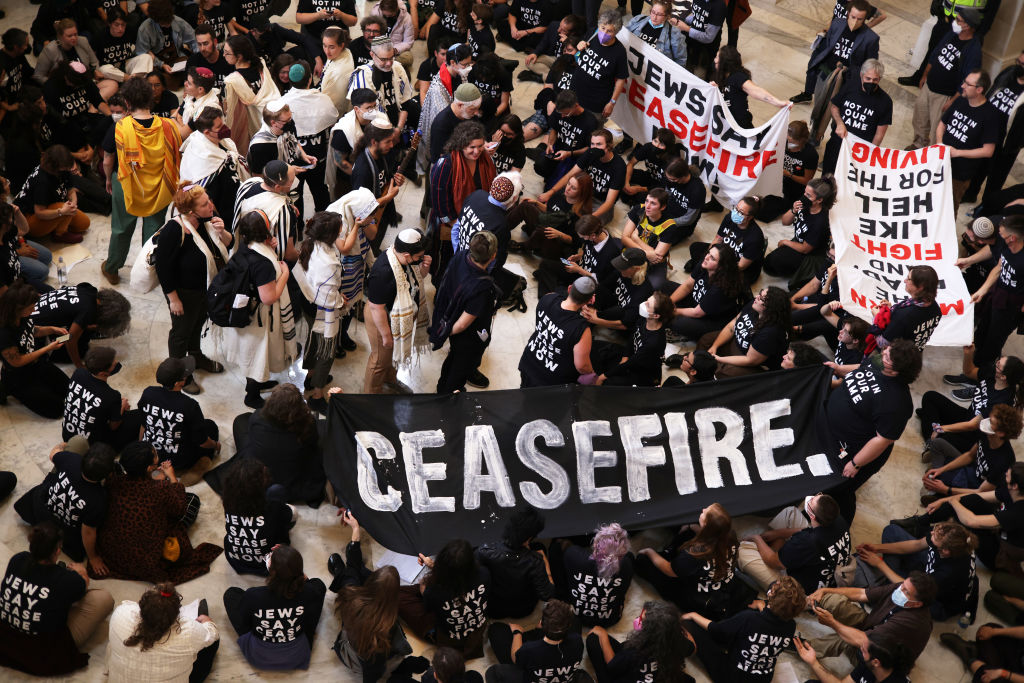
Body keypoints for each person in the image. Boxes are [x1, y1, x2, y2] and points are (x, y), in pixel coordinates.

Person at [95, 441, 222, 583]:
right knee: (192, 501)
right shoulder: (161, 489)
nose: (157, 454)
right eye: (155, 455)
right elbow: (179, 510)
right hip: (147, 559)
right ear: (149, 468)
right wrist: (172, 478)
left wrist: (155, 480)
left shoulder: (114, 481)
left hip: (114, 554)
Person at [0, 522, 114, 677]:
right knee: (102, 599)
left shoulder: (17, 560)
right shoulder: (65, 580)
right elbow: (83, 585)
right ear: (57, 551)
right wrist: (81, 572)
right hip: (43, 656)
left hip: (7, 644)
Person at [825, 341, 922, 523]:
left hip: (854, 453)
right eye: (886, 351)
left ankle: (840, 527)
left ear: (896, 371)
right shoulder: (879, 361)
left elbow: (882, 440)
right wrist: (839, 369)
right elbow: (862, 367)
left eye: (887, 356)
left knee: (840, 490)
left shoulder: (897, 403)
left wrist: (855, 463)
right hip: (833, 434)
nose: (882, 353)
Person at [104, 76, 186, 285]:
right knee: (153, 231)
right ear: (150, 99)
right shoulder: (168, 126)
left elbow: (108, 159)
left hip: (127, 183)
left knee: (121, 229)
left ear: (127, 103)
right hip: (159, 185)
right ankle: (146, 273)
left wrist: (107, 178)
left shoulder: (121, 127)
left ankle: (112, 269)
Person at [213, 209, 297, 409]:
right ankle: (252, 395)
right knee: (257, 356)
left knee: (256, 355)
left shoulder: (245, 246)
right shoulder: (262, 263)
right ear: (265, 230)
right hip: (258, 320)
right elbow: (268, 297)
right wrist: (284, 272)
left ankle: (258, 382)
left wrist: (270, 248)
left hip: (247, 311)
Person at [155, 182, 232, 391]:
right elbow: (164, 268)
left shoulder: (207, 221)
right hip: (183, 293)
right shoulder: (174, 230)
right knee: (181, 333)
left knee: (197, 325)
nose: (211, 206)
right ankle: (180, 374)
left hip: (204, 288)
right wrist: (173, 299)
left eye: (209, 200)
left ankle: (196, 356)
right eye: (205, 204)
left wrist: (222, 231)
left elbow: (229, 244)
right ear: (190, 211)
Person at [329, 510, 414, 682]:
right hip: (364, 652)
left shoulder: (353, 597)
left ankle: (340, 572)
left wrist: (355, 531)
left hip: (354, 650)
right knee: (355, 572)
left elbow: (372, 669)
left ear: (372, 581)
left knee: (351, 574)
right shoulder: (388, 620)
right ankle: (342, 571)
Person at [683, 576, 806, 682]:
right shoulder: (791, 626)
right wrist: (760, 605)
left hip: (730, 677)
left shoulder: (749, 618)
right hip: (763, 679)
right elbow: (770, 624)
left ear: (770, 594)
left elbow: (716, 630)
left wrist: (694, 615)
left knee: (690, 625)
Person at [223, 545, 326, 670]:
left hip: (259, 656)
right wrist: (289, 560)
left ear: (272, 572)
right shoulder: (311, 592)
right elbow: (312, 588)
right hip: (298, 654)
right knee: (317, 588)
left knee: (232, 594)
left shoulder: (254, 595)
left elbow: (244, 621)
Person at [13, 442, 116, 569]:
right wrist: (93, 557)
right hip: (64, 534)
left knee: (77, 441)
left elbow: (52, 455)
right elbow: (88, 532)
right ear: (107, 474)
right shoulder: (99, 499)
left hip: (41, 510)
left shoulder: (71, 460)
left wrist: (60, 446)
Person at [635, 503, 746, 619]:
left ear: (707, 525)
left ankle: (666, 552)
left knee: (642, 561)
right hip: (716, 581)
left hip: (695, 595)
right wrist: (694, 528)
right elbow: (712, 538)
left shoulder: (695, 555)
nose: (703, 509)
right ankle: (672, 548)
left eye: (705, 512)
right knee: (686, 527)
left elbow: (669, 570)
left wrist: (649, 552)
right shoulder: (731, 538)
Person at [805, 571, 937, 667]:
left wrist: (832, 623)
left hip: (879, 661)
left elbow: (864, 640)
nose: (900, 589)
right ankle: (802, 604)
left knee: (845, 638)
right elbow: (861, 594)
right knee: (832, 600)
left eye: (906, 591)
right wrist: (826, 590)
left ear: (917, 604)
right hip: (872, 627)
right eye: (902, 585)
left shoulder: (911, 623)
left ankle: (804, 649)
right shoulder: (901, 589)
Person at [856, 521, 978, 621]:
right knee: (892, 531)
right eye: (934, 531)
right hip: (928, 573)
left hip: (936, 602)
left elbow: (912, 589)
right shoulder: (950, 536)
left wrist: (879, 564)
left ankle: (882, 592)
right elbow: (917, 544)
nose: (931, 534)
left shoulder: (947, 574)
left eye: (933, 538)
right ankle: (890, 578)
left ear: (945, 551)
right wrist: (877, 548)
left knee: (897, 595)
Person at [737, 493, 852, 594]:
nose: (811, 497)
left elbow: (772, 561)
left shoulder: (806, 542)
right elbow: (810, 531)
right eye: (818, 495)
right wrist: (778, 534)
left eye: (812, 501)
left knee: (743, 551)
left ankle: (777, 555)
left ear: (812, 516)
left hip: (800, 591)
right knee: (789, 513)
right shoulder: (837, 519)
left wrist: (757, 538)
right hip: (823, 570)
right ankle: (780, 551)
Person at [233, 383, 327, 506]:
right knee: (323, 433)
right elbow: (313, 444)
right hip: (295, 482)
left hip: (262, 477)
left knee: (241, 420)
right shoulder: (308, 424)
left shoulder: (257, 417)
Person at [106, 582, 220, 682]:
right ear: (176, 615)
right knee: (211, 643)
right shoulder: (189, 632)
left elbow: (132, 606)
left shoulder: (121, 613)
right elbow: (213, 633)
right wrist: (207, 621)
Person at [399, 538, 492, 658]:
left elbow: (426, 600)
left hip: (449, 637)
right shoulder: (484, 573)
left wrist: (428, 580)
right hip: (477, 629)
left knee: (399, 595)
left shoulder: (434, 591)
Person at [364, 228, 432, 393]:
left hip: (399, 316)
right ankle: (370, 395)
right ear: (407, 255)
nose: (420, 259)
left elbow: (416, 281)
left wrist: (424, 268)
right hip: (381, 318)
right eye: (418, 257)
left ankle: (390, 380)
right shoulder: (383, 272)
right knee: (380, 361)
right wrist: (386, 336)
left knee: (395, 353)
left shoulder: (403, 258)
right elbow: (376, 307)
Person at [433, 230, 501, 393]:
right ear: (493, 256)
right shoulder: (481, 288)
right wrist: (449, 333)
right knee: (460, 367)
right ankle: (448, 396)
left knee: (452, 359)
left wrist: (444, 328)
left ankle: (442, 385)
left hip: (449, 314)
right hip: (467, 336)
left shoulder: (461, 256)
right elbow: (463, 324)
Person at [908, 9, 983, 151]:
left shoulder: (973, 50)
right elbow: (935, 54)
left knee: (937, 129)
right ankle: (917, 145)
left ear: (968, 25)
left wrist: (952, 101)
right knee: (920, 118)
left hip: (944, 95)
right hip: (929, 85)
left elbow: (967, 81)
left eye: (959, 20)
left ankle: (930, 156)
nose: (955, 22)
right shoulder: (951, 34)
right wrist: (925, 75)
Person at [137, 356, 221, 483]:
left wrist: (142, 448)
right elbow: (202, 441)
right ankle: (195, 468)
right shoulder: (189, 405)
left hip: (152, 455)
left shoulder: (148, 393)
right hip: (178, 460)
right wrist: (215, 445)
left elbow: (143, 424)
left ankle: (157, 470)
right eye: (185, 375)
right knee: (210, 427)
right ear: (178, 383)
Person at [429, 120, 496, 277]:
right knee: (446, 263)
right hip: (450, 224)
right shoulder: (446, 164)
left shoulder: (487, 161)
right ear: (460, 145)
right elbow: (439, 201)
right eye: (471, 147)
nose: (477, 151)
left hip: (474, 224)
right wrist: (457, 226)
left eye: (480, 146)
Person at [293, 211, 343, 411]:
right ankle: (317, 394)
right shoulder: (328, 263)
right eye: (339, 228)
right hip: (322, 309)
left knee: (313, 341)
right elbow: (329, 297)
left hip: (307, 301)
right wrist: (341, 300)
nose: (342, 230)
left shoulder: (310, 243)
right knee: (326, 351)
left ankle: (311, 376)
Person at [922, 404, 1021, 505]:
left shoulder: (1004, 461)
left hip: (976, 487)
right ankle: (938, 482)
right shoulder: (987, 434)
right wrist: (941, 470)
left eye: (991, 422)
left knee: (936, 483)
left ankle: (942, 495)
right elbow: (970, 455)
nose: (986, 422)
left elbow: (981, 492)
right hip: (971, 469)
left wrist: (946, 489)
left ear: (1001, 433)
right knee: (937, 443)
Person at [0, 282, 70, 418]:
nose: (34, 310)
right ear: (18, 309)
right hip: (18, 377)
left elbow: (32, 330)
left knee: (70, 390)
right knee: (57, 410)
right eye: (31, 307)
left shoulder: (23, 317)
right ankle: (8, 387)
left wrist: (52, 329)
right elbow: (17, 361)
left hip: (36, 364)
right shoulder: (4, 333)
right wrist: (47, 348)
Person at [789, 1, 879, 107]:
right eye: (853, 17)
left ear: (864, 19)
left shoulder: (871, 38)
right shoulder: (837, 23)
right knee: (819, 106)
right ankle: (808, 95)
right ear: (848, 13)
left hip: (847, 78)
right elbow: (828, 44)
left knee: (837, 108)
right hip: (826, 72)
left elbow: (870, 64)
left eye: (859, 19)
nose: (855, 22)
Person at [924, 354, 1023, 450]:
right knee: (930, 397)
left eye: (998, 365)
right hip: (966, 417)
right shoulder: (991, 373)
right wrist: (968, 353)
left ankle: (933, 441)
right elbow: (969, 371)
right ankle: (932, 441)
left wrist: (942, 428)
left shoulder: (1002, 402)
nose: (995, 363)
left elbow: (972, 425)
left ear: (1003, 377)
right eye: (998, 360)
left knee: (942, 436)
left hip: (973, 437)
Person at [325, 187, 380, 355]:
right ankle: (334, 340)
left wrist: (367, 220)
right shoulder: (336, 221)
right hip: (339, 272)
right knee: (339, 306)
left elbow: (372, 235)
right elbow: (345, 249)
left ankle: (343, 335)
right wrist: (359, 224)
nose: (373, 220)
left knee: (351, 301)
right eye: (370, 216)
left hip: (355, 269)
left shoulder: (359, 217)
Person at [939, 69, 1001, 213]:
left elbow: (988, 151)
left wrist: (957, 153)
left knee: (947, 209)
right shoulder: (961, 100)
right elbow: (942, 124)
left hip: (959, 173)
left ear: (979, 89)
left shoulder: (990, 116)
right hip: (940, 160)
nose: (962, 86)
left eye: (968, 84)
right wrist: (940, 144)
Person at [586, 601, 696, 683]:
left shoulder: (634, 651)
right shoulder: (677, 642)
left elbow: (612, 666)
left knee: (593, 640)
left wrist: (603, 636)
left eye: (642, 620)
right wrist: (674, 625)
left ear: (649, 632)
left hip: (631, 673)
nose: (638, 619)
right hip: (662, 675)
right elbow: (693, 647)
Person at [280, 61, 339, 213]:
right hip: (317, 154)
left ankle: (297, 226)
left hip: (294, 156)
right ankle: (324, 224)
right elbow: (333, 117)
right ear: (310, 80)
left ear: (291, 82)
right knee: (320, 190)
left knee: (295, 193)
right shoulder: (323, 99)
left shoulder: (282, 102)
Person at [475, 505, 554, 619]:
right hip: (523, 610)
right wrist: (546, 564)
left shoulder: (484, 552)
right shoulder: (535, 561)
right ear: (529, 538)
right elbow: (547, 594)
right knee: (540, 546)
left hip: (494, 608)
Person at [29, 282, 131, 369]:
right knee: (82, 350)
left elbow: (74, 311)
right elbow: (70, 340)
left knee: (83, 330)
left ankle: (82, 330)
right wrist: (79, 365)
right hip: (36, 334)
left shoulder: (89, 289)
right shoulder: (88, 312)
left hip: (36, 309)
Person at [220, 457, 294, 575]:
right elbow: (288, 516)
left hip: (235, 561)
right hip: (268, 564)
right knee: (290, 511)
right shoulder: (272, 505)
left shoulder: (228, 502)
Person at [549, 523, 633, 627]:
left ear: (594, 545)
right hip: (609, 619)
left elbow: (565, 546)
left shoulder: (574, 556)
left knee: (556, 546)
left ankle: (561, 595)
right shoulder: (626, 565)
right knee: (630, 557)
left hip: (574, 615)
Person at [519, 276, 595, 387]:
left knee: (524, 393)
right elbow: (582, 366)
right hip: (549, 380)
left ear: (569, 289)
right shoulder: (581, 330)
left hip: (529, 360)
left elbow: (559, 300)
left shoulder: (548, 298)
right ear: (589, 301)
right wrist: (592, 373)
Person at [970, 216, 1024, 371]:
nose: (999, 236)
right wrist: (983, 290)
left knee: (993, 342)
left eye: (1002, 234)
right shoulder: (1007, 246)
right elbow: (1000, 266)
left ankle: (979, 377)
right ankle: (975, 367)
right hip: (998, 294)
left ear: (1012, 237)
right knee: (981, 332)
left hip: (1011, 305)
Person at [486, 599, 585, 683]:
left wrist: (517, 633)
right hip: (561, 673)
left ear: (541, 623)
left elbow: (515, 658)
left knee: (493, 670)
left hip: (530, 675)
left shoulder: (529, 649)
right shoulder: (577, 641)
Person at [177, 107, 248, 222]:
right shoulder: (202, 158)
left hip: (235, 204)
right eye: (219, 127)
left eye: (223, 123)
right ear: (207, 132)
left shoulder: (224, 142)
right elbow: (205, 198)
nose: (224, 128)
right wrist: (218, 222)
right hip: (223, 215)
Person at [822, 59, 891, 174]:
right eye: (867, 78)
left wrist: (869, 156)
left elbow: (879, 134)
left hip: (859, 153)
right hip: (837, 144)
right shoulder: (850, 86)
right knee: (827, 176)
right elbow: (834, 106)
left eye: (875, 80)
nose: (871, 82)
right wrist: (839, 123)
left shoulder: (885, 102)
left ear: (880, 79)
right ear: (861, 75)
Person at [541, 130, 625, 224]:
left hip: (600, 201)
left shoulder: (619, 167)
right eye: (592, 144)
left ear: (609, 146)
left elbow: (609, 202)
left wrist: (590, 218)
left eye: (599, 144)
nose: (595, 147)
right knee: (556, 205)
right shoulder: (590, 153)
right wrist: (551, 192)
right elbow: (571, 174)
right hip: (582, 191)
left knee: (585, 226)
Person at [591, 291, 674, 387]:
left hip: (642, 373)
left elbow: (632, 363)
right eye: (647, 300)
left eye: (648, 305)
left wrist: (603, 376)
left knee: (607, 383)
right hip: (632, 356)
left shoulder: (654, 342)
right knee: (596, 348)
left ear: (656, 315)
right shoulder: (645, 318)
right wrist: (625, 356)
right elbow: (633, 336)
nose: (644, 304)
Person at [704, 285, 791, 376]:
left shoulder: (769, 333)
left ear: (770, 308)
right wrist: (715, 346)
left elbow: (750, 360)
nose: (756, 297)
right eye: (760, 293)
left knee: (724, 371)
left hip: (753, 361)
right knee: (706, 341)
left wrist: (719, 359)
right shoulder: (754, 305)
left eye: (761, 298)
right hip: (738, 344)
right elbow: (732, 326)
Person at [764, 176, 835, 286]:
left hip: (810, 255)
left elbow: (805, 249)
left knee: (775, 263)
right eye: (805, 192)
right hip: (798, 242)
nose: (804, 197)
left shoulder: (820, 222)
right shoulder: (804, 205)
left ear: (819, 200)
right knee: (769, 263)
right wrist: (793, 210)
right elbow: (785, 222)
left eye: (808, 195)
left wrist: (785, 242)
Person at [60, 346, 136, 448]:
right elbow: (114, 426)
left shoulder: (79, 373)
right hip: (90, 447)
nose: (117, 364)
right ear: (102, 373)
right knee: (137, 416)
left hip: (67, 436)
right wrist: (122, 407)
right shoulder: (112, 396)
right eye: (114, 365)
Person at [14, 144, 91, 244]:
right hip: (28, 219)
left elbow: (71, 189)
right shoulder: (42, 181)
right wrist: (61, 212)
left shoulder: (63, 170)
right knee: (63, 207)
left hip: (53, 207)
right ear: (55, 166)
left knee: (84, 224)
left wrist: (73, 203)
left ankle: (56, 223)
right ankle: (60, 234)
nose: (68, 169)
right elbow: (40, 212)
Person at [666, 243, 744, 342]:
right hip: (697, 301)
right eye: (708, 253)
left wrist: (670, 311)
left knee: (676, 322)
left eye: (712, 258)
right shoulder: (704, 264)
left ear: (721, 267)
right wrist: (668, 303)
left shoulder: (720, 288)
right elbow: (687, 286)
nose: (706, 257)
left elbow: (696, 313)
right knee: (664, 287)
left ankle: (687, 334)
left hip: (709, 319)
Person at [232, 160, 302, 267]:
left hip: (244, 249)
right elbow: (288, 254)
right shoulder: (282, 210)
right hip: (266, 262)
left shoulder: (248, 184)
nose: (294, 183)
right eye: (292, 182)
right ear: (277, 187)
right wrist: (303, 256)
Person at [686, 195, 765, 286]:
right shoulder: (729, 218)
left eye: (741, 213)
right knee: (695, 248)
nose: (736, 213)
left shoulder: (755, 237)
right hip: (723, 255)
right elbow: (717, 240)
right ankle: (702, 268)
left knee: (723, 283)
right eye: (736, 208)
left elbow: (741, 266)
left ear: (750, 217)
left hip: (738, 266)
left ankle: (702, 269)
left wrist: (717, 268)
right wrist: (708, 255)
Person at [352, 119, 405, 253]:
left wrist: (395, 178)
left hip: (382, 212)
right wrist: (389, 197)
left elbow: (384, 177)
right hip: (370, 218)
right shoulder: (362, 170)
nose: (392, 145)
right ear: (374, 142)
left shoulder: (381, 154)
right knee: (370, 246)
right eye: (388, 142)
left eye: (392, 141)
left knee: (378, 240)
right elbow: (361, 208)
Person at [222, 34, 280, 156]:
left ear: (239, 56)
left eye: (227, 53)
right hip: (276, 116)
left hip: (256, 125)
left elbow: (231, 113)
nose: (223, 55)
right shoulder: (261, 64)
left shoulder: (232, 81)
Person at [513, 174, 593, 259]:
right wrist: (536, 203)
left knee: (544, 231)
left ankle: (522, 247)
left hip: (557, 243)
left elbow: (575, 241)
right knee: (526, 205)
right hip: (546, 225)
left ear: (582, 192)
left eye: (573, 188)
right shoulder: (562, 193)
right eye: (568, 183)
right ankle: (503, 229)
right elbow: (550, 210)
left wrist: (559, 234)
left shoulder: (582, 214)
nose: (568, 188)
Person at [347, 37, 416, 132]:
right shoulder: (363, 76)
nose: (388, 63)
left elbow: (405, 103)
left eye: (391, 57)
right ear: (372, 55)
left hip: (398, 125)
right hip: (374, 130)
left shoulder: (398, 68)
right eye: (383, 59)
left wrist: (398, 129)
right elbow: (365, 115)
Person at [711, 45, 788, 130]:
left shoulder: (738, 77)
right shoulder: (718, 71)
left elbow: (756, 91)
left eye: (717, 58)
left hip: (740, 125)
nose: (715, 60)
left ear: (724, 63)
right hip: (723, 121)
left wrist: (778, 102)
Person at [531, 90, 599, 184]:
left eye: (566, 114)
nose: (562, 116)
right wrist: (550, 144)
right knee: (540, 165)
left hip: (575, 157)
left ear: (576, 105)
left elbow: (590, 148)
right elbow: (554, 129)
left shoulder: (590, 122)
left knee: (559, 185)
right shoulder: (560, 110)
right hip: (559, 150)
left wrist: (569, 153)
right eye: (560, 113)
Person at [756, 121, 818, 222]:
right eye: (788, 140)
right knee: (757, 205)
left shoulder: (810, 155)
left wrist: (789, 174)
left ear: (801, 140)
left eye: (792, 142)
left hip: (795, 189)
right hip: (779, 181)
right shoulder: (783, 142)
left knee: (765, 214)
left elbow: (807, 181)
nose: (789, 144)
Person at [870, 265, 942, 351]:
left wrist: (877, 317)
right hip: (914, 356)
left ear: (920, 287)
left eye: (908, 279)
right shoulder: (935, 308)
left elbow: (882, 343)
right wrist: (891, 311)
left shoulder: (903, 316)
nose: (905, 281)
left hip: (897, 360)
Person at [571, 10, 627, 119]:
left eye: (609, 31)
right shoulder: (592, 33)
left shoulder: (619, 52)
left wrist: (612, 103)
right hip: (574, 93)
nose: (604, 33)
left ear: (616, 32)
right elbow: (578, 54)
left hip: (595, 104)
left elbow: (621, 79)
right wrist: (579, 46)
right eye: (602, 28)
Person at [327, 88, 381, 199]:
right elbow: (339, 161)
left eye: (374, 106)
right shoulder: (344, 131)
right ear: (356, 109)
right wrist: (362, 175)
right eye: (369, 108)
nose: (373, 111)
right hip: (349, 179)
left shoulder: (376, 120)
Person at [135, 0, 198, 86]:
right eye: (164, 22)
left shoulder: (178, 21)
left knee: (192, 68)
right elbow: (142, 52)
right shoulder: (145, 29)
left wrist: (199, 54)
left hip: (175, 59)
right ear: (156, 20)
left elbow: (193, 40)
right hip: (156, 64)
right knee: (155, 79)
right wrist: (162, 65)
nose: (168, 24)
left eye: (169, 21)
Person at [795, 637, 911, 683]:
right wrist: (813, 662)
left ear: (876, 662)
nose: (860, 649)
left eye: (864, 651)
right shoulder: (868, 665)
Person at [94, 8, 153, 98]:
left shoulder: (130, 31)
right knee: (104, 69)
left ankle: (132, 82)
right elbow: (93, 59)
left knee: (147, 57)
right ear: (110, 24)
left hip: (126, 64)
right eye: (116, 25)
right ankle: (133, 82)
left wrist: (149, 53)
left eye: (123, 25)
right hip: (110, 70)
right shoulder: (100, 36)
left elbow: (141, 46)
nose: (120, 28)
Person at [621, 127, 683, 206]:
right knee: (622, 173)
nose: (657, 145)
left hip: (663, 187)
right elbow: (631, 163)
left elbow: (664, 187)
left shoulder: (672, 162)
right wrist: (626, 183)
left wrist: (639, 189)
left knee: (644, 198)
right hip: (650, 176)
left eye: (661, 144)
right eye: (655, 141)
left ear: (668, 147)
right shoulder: (648, 147)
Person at [426, 78, 481, 165]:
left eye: (478, 108)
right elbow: (440, 158)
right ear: (460, 105)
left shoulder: (470, 115)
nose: (476, 113)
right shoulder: (441, 124)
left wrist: (484, 146)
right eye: (473, 109)